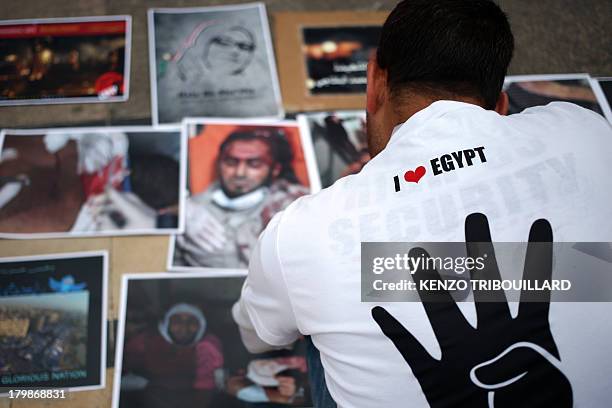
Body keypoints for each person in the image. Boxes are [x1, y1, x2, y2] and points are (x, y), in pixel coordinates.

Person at [231, 1, 612, 407]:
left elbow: (257, 336)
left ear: (374, 81)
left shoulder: (302, 233)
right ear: (501, 107)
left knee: (311, 316)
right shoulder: (587, 133)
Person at [174, 128, 308, 269]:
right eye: (231, 162)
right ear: (219, 163)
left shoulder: (294, 205)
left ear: (275, 169)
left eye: (254, 164)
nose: (240, 173)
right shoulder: (190, 211)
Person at [121, 303, 223, 408]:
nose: (184, 327)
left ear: (201, 325)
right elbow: (119, 374)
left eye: (192, 322)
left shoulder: (207, 348)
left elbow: (205, 390)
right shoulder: (145, 342)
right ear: (166, 323)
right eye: (177, 321)